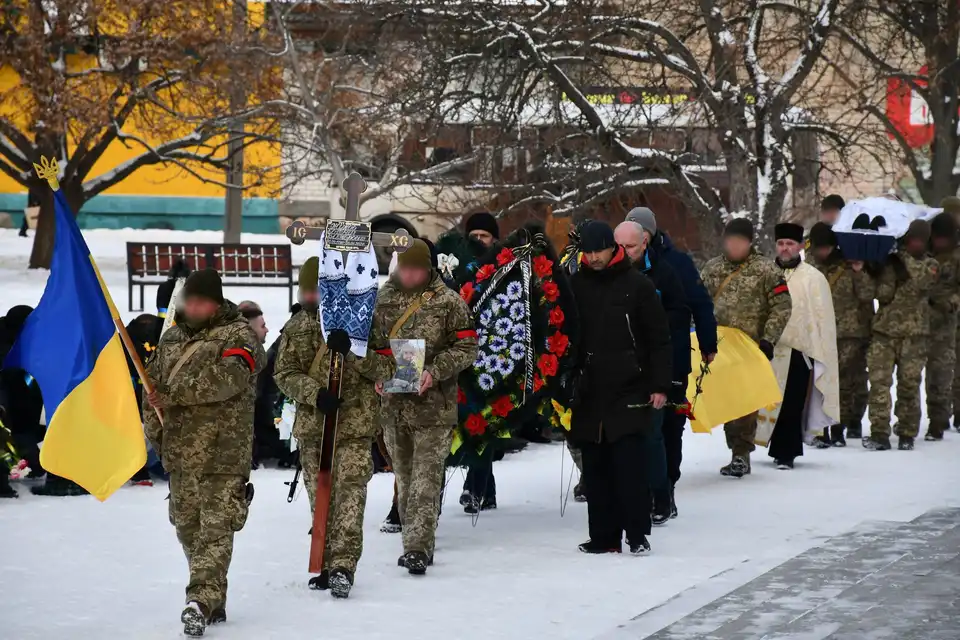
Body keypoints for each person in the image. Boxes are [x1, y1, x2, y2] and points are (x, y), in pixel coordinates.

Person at [142, 269, 265, 637]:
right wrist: (158, 436)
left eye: (201, 302)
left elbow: (230, 378)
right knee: (188, 530)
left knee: (215, 530)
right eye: (189, 301)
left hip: (222, 454)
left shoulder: (238, 335)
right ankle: (212, 596)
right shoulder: (171, 338)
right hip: (181, 453)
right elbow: (152, 389)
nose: (193, 308)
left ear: (216, 303)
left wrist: (173, 395)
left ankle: (199, 599)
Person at [274, 256, 396, 598]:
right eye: (306, 291)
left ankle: (343, 565)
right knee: (320, 499)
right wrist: (315, 394)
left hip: (354, 427)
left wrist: (355, 353)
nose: (311, 297)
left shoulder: (365, 321)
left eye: (316, 291)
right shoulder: (296, 326)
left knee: (349, 496)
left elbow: (388, 369)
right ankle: (325, 563)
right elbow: (284, 373)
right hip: (314, 430)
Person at [370, 239, 478, 575]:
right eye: (405, 268)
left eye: (416, 269)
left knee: (426, 479)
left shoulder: (448, 302)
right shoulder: (382, 299)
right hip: (394, 406)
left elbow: (467, 347)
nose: (410, 275)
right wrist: (375, 374)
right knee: (404, 477)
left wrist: (436, 370)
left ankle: (418, 547)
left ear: (428, 269)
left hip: (434, 407)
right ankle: (412, 536)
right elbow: (370, 345)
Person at [568, 221, 671, 555]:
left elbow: (659, 339)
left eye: (599, 250)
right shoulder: (576, 285)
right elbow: (566, 335)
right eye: (588, 251)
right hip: (589, 390)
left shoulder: (637, 285)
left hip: (630, 386)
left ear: (612, 247)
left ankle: (637, 534)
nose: (593, 257)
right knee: (595, 468)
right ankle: (603, 537)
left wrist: (659, 384)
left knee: (629, 467)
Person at [626, 207, 716, 515]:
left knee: (670, 426)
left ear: (648, 236)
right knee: (640, 427)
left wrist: (707, 342)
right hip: (634, 363)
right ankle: (644, 488)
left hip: (674, 357)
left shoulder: (676, 264)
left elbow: (700, 304)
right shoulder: (621, 265)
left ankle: (666, 486)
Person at [700, 219, 792, 477]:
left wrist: (768, 340)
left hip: (751, 348)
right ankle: (735, 447)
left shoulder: (766, 270)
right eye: (731, 240)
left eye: (740, 241)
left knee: (745, 401)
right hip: (719, 348)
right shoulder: (712, 269)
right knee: (727, 400)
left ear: (750, 243)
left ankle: (741, 454)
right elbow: (698, 302)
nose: (734, 246)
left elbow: (782, 306)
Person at [613, 220, 685, 525]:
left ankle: (661, 494)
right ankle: (630, 495)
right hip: (618, 370)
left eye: (630, 246)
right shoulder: (606, 276)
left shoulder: (664, 273)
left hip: (652, 367)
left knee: (654, 436)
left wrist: (665, 380)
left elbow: (677, 320)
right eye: (618, 246)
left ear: (644, 243)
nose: (624, 252)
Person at [764, 223, 840, 469]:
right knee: (766, 401)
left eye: (790, 244)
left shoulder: (813, 278)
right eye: (781, 243)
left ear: (799, 246)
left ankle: (786, 453)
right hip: (766, 348)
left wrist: (816, 350)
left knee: (791, 404)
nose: (785, 248)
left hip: (799, 351)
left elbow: (822, 319)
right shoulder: (764, 273)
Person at [866, 220, 938, 451]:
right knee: (879, 383)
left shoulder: (931, 264)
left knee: (909, 385)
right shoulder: (892, 262)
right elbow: (882, 294)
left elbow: (923, 281)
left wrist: (902, 260)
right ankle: (879, 432)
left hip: (914, 336)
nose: (914, 244)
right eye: (911, 239)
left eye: (919, 240)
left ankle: (907, 432)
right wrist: (876, 267)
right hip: (884, 333)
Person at [807, 222, 875, 445]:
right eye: (819, 248)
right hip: (817, 332)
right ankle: (820, 428)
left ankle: (839, 426)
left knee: (844, 381)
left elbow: (867, 294)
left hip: (848, 333)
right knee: (818, 381)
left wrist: (859, 272)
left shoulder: (848, 265)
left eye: (826, 248)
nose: (822, 252)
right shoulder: (808, 266)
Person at [924, 214, 960, 440]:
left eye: (943, 239)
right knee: (913, 377)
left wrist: (949, 303)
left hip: (945, 325)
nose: (940, 243)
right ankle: (912, 420)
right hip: (919, 322)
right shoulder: (924, 255)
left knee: (940, 374)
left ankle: (937, 421)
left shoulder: (956, 257)